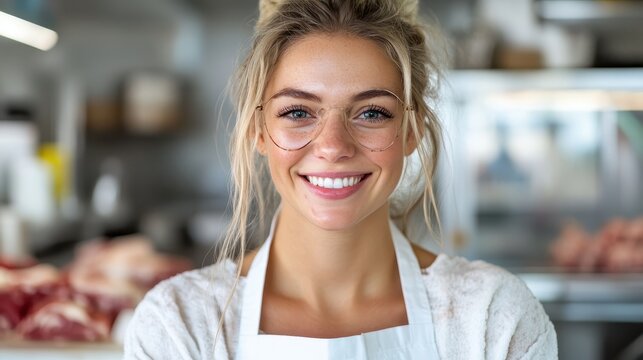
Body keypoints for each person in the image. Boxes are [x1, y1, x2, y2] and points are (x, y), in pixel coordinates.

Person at [124, 0, 558, 359]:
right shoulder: (181, 327)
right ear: (258, 130)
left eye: (371, 113)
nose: (333, 146)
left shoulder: (493, 321)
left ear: (411, 131)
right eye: (298, 112)